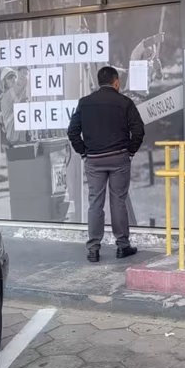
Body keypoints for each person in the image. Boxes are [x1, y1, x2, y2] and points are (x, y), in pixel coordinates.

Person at [67, 66, 145, 262]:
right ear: (116, 82)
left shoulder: (85, 103)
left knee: (95, 203)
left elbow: (72, 131)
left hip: (94, 160)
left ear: (98, 82)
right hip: (119, 158)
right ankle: (122, 246)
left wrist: (83, 152)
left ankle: (93, 249)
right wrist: (131, 151)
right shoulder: (124, 102)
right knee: (118, 201)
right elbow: (138, 130)